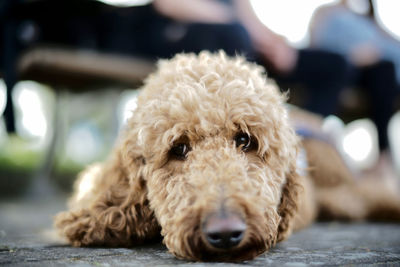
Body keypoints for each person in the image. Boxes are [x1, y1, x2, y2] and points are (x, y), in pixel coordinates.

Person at [100, 0, 349, 117]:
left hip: (240, 50)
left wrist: (278, 45)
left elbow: (249, 20)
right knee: (234, 37)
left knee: (334, 64)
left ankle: (306, 141)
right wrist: (235, 22)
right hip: (180, 38)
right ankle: (245, 131)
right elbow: (169, 4)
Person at [310, 0, 400, 151]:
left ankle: (384, 154)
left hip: (375, 78)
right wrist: (354, 57)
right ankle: (384, 154)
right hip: (344, 72)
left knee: (385, 69)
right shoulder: (325, 13)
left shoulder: (369, 21)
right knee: (384, 72)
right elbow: (316, 52)